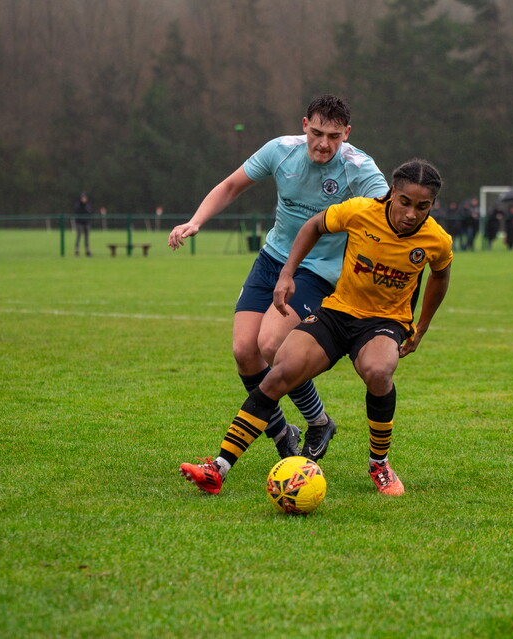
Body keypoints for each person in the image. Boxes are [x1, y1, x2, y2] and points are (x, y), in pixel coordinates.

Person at [180, 159, 452, 496]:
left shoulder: (437, 240)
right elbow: (313, 226)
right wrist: (287, 273)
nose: (411, 213)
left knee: (379, 370)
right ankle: (218, 468)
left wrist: (421, 327)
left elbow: (440, 275)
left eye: (422, 206)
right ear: (392, 194)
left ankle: (378, 464)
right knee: (281, 371)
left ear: (432, 205)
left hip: (384, 322)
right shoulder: (359, 211)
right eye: (405, 202)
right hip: (337, 312)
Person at [168, 95, 388, 462]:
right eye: (316, 132)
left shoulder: (360, 169)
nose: (323, 143)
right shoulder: (280, 151)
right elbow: (230, 186)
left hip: (318, 269)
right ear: (304, 125)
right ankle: (284, 432)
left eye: (334, 136)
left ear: (346, 134)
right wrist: (196, 221)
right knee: (244, 352)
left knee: (271, 344)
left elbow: (387, 216)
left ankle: (318, 421)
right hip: (273, 258)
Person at [73, 193, 93, 257]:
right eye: (83, 198)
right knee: (79, 236)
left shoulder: (88, 205)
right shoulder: (78, 205)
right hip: (79, 223)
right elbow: (77, 211)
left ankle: (87, 251)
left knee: (87, 237)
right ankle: (77, 250)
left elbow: (91, 212)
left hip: (86, 223)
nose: (84, 199)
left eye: (85, 198)